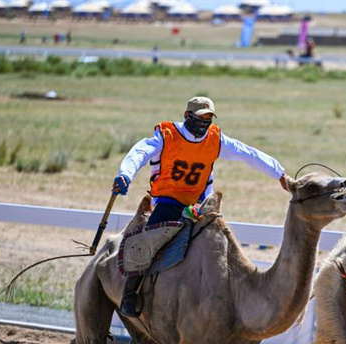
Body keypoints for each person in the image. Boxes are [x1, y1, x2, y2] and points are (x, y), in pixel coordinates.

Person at [112, 96, 294, 317]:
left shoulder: (216, 139)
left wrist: (279, 174)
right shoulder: (167, 135)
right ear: (187, 115)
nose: (204, 123)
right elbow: (139, 153)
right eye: (200, 118)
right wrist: (125, 175)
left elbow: (248, 153)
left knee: (222, 242)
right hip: (169, 201)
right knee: (148, 243)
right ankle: (131, 293)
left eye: (209, 118)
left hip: (201, 203)